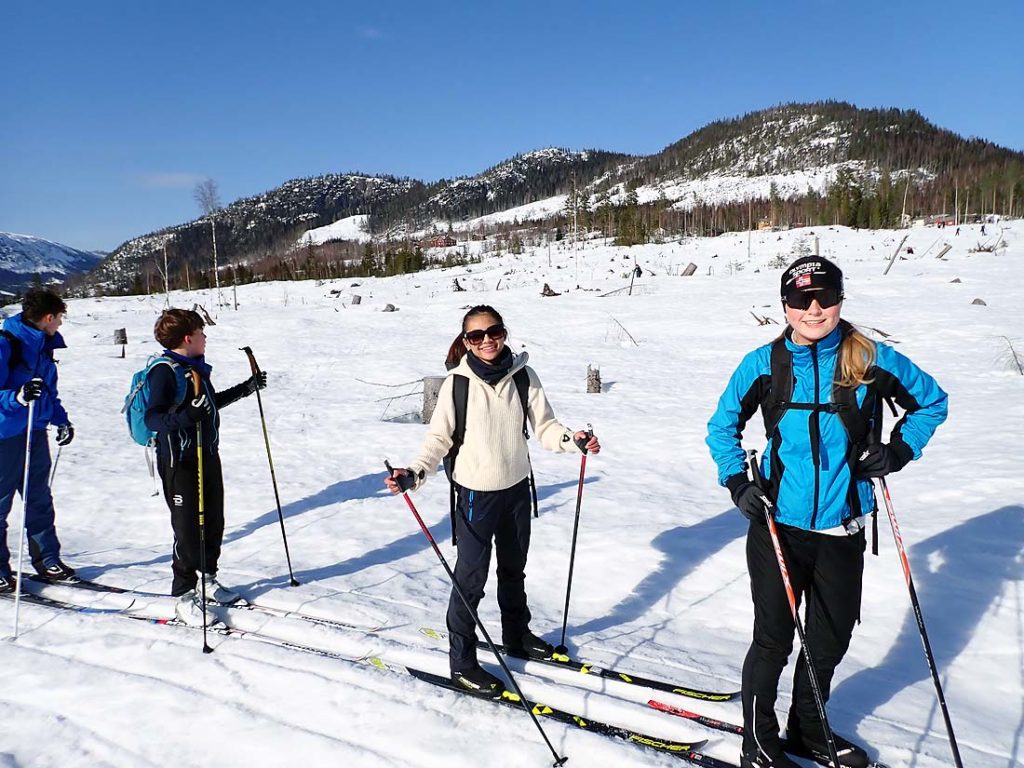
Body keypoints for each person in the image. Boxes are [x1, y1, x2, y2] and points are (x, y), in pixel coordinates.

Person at [706, 257, 947, 768]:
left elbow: (932, 403)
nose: (814, 309)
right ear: (785, 306)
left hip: (844, 525)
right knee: (772, 640)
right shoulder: (764, 364)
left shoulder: (869, 358)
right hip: (779, 525)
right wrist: (737, 482)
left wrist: (899, 451)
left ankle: (808, 731)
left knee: (829, 639)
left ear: (840, 298)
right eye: (800, 300)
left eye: (825, 297)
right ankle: (757, 743)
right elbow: (722, 426)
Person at [386, 305, 600, 696]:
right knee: (470, 580)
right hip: (474, 495)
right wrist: (413, 473)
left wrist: (574, 441)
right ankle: (462, 662)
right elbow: (438, 441)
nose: (487, 340)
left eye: (494, 331)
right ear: (465, 341)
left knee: (514, 570)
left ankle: (516, 636)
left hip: (517, 489)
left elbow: (546, 427)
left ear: (503, 332)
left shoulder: (523, 376)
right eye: (476, 335)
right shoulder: (458, 384)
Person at [144, 309, 267, 625]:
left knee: (214, 521)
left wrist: (246, 388)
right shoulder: (164, 371)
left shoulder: (195, 368)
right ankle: (183, 594)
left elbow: (207, 405)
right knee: (186, 529)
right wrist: (186, 418)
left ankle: (207, 578)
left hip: (207, 455)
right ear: (188, 338)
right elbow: (153, 418)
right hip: (180, 462)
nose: (205, 337)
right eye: (202, 332)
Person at [0, 289, 78, 591]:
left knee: (39, 498)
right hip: (5, 435)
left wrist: (61, 420)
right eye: (59, 318)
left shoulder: (44, 347)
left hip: (34, 431)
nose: (60, 324)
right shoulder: (7, 344)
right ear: (48, 318)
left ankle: (47, 559)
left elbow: (48, 392)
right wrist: (16, 397)